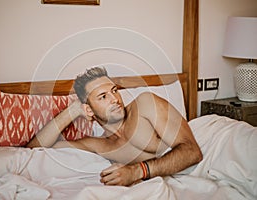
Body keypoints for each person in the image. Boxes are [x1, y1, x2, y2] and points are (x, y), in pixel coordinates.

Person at [26, 67, 202, 186]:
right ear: (88, 109)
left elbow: (192, 151)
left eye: (114, 90)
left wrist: (136, 172)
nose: (115, 99)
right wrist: (72, 111)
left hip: (206, 151)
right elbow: (33, 150)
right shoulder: (99, 145)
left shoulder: (145, 105)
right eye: (103, 96)